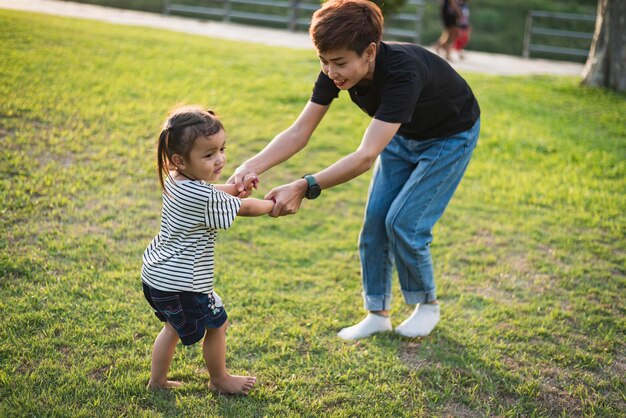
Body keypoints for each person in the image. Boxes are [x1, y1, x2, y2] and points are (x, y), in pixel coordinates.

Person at [229, 0, 480, 340]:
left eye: (339, 63)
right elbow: (299, 131)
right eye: (323, 61)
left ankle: (427, 305)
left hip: (448, 137)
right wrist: (250, 165)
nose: (331, 71)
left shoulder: (402, 73)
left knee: (404, 222)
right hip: (401, 136)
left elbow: (365, 156)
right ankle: (378, 313)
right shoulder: (336, 69)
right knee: (375, 222)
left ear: (370, 52)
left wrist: (304, 186)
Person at [142, 105, 274, 395]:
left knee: (172, 329)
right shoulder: (200, 195)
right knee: (218, 323)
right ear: (180, 159)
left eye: (222, 149)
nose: (221, 159)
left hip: (158, 276)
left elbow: (211, 193)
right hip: (184, 283)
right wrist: (274, 205)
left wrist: (233, 189)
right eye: (209, 154)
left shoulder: (176, 178)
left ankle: (157, 382)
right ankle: (220, 379)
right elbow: (246, 208)